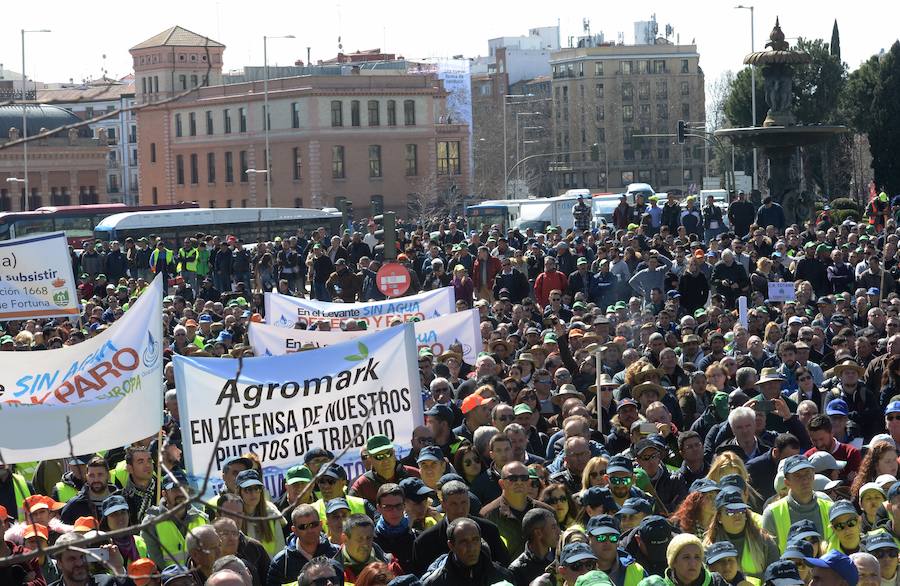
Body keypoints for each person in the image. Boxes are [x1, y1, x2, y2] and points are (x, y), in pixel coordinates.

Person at [702, 487, 779, 581]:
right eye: (730, 512)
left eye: (741, 510)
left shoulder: (765, 541)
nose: (737, 515)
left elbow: (775, 577)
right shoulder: (708, 547)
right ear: (719, 517)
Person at [762, 455, 834, 552]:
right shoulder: (772, 514)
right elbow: (769, 556)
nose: (804, 480)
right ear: (787, 482)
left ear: (813, 476)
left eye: (807, 473)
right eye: (797, 476)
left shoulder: (831, 508)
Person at [140, 470, 209, 569]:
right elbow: (155, 564)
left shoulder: (202, 519)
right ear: (164, 494)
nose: (181, 493)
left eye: (184, 487)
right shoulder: (150, 523)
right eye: (175, 489)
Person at [420, 518, 514, 586]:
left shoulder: (503, 577)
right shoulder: (436, 582)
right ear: (451, 545)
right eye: (463, 542)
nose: (471, 547)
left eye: (475, 540)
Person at [267, 504, 338, 586]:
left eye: (313, 525)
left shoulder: (336, 553)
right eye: (303, 527)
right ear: (294, 530)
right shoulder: (281, 562)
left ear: (320, 525)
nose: (309, 530)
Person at [585, 515, 647, 586]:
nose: (607, 542)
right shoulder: (577, 569)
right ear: (588, 539)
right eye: (601, 537)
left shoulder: (637, 570)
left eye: (613, 537)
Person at [509, 508, 560, 586]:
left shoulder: (559, 558)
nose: (559, 531)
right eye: (553, 527)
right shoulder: (517, 570)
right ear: (538, 533)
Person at [663, 533, 728, 586]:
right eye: (686, 557)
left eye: (697, 557)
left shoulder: (716, 582)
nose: (693, 563)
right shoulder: (660, 584)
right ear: (673, 562)